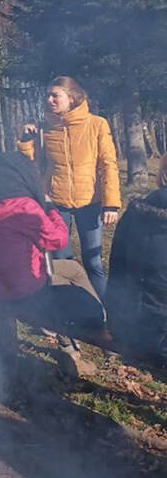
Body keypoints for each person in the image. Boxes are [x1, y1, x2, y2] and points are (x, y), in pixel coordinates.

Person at [0, 152, 98, 393]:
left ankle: (7, 370)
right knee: (72, 277)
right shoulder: (24, 208)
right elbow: (58, 239)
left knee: (70, 268)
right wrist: (49, 207)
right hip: (26, 289)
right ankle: (82, 344)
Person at [18, 76, 120, 298]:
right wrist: (27, 140)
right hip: (56, 203)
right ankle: (70, 314)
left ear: (72, 98)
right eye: (48, 95)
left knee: (93, 263)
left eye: (56, 95)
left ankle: (104, 312)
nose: (50, 99)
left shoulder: (96, 124)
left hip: (90, 202)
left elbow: (109, 164)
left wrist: (111, 204)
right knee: (61, 262)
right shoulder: (44, 129)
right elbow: (31, 165)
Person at [104, 153, 167, 365]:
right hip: (158, 336)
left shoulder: (134, 212)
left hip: (128, 326)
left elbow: (116, 270)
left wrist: (114, 321)